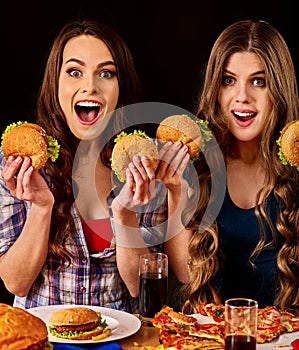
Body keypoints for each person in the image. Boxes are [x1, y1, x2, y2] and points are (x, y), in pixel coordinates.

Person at [0, 19, 190, 312]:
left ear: (120, 87)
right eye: (74, 72)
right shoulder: (18, 164)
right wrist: (40, 208)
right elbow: (16, 282)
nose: (90, 86)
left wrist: (124, 216)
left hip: (122, 340)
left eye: (106, 73)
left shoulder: (143, 164)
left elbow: (142, 289)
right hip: (43, 340)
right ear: (55, 84)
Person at [180, 19, 299, 314]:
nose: (242, 96)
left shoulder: (295, 170)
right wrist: (173, 196)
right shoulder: (194, 168)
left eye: (259, 81)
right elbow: (188, 277)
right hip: (213, 339)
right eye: (229, 80)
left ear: (279, 90)